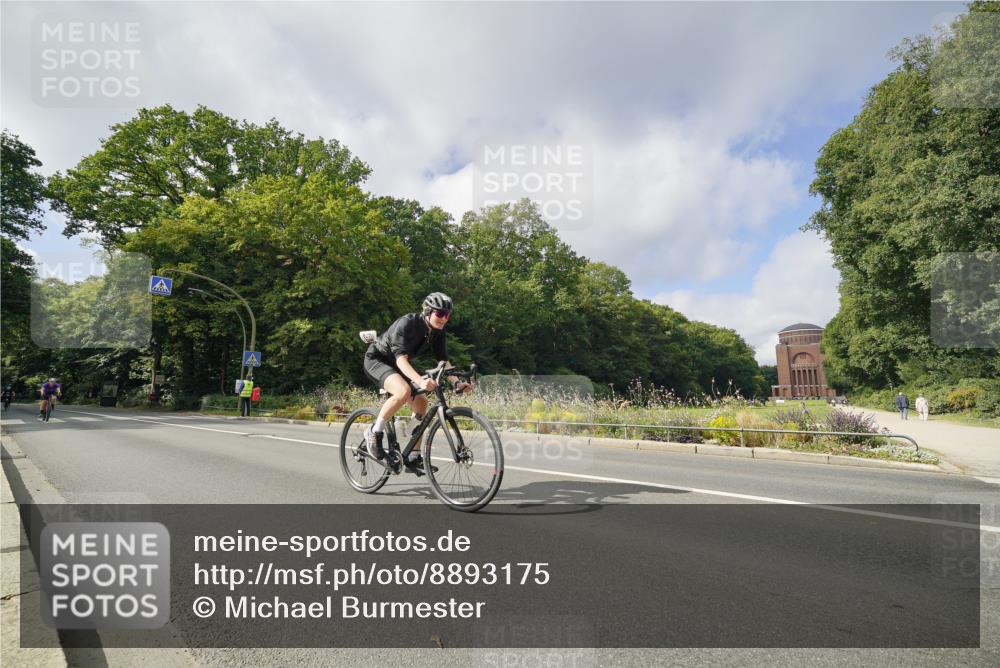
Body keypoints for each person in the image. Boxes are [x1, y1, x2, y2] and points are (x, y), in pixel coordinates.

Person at [362, 292, 472, 474]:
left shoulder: (437, 332)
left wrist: (457, 383)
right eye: (440, 314)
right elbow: (401, 360)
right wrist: (420, 380)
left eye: (447, 315)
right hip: (377, 361)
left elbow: (443, 361)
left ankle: (413, 456)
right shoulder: (408, 323)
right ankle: (374, 432)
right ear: (428, 311)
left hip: (398, 365)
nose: (444, 319)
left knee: (422, 403)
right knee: (403, 391)